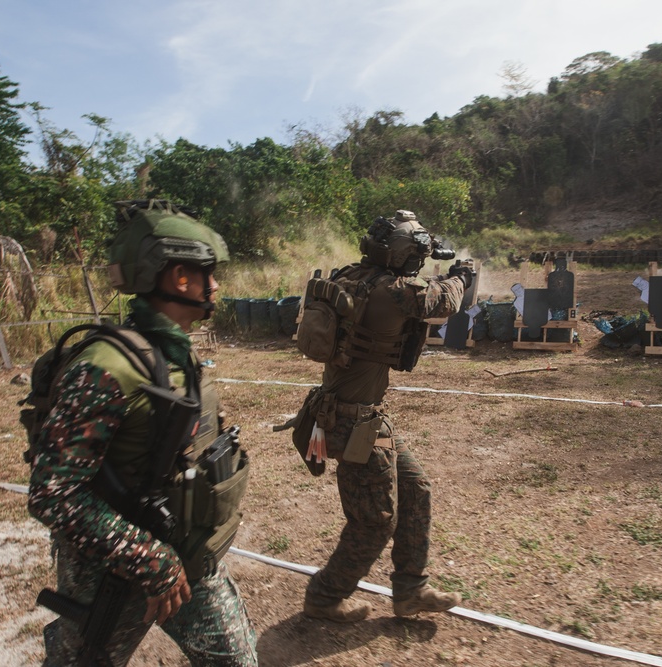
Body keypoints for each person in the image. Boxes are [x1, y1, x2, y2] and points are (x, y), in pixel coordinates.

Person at [28, 200, 258, 666]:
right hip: (113, 568)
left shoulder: (171, 353)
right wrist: (149, 560)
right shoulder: (106, 367)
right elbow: (54, 493)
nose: (214, 285)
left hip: (183, 552)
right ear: (178, 278)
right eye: (207, 273)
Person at [299, 209, 474, 622]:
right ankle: (325, 597)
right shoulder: (393, 292)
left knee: (416, 488)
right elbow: (445, 300)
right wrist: (462, 273)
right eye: (415, 254)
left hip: (354, 416)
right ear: (401, 256)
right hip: (354, 423)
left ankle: (410, 590)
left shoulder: (349, 278)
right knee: (374, 521)